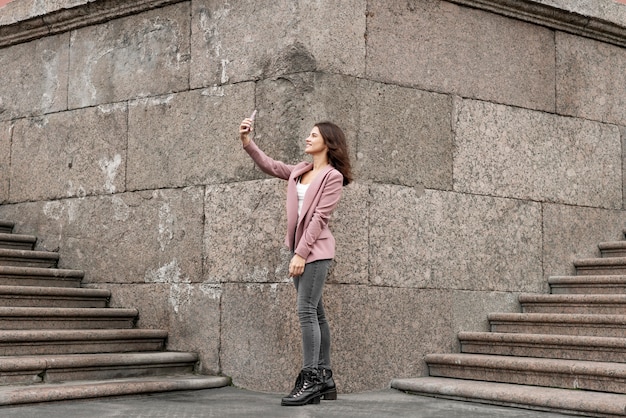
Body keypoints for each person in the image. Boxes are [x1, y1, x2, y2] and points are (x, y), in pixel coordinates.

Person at [238, 114, 353, 406]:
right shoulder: (300, 170)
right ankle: (325, 378)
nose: (308, 138)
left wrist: (301, 253)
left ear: (328, 143)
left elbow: (319, 218)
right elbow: (271, 166)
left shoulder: (332, 176)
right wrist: (248, 142)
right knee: (317, 314)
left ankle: (311, 379)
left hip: (314, 251)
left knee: (305, 312)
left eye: (313, 135)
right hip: (300, 251)